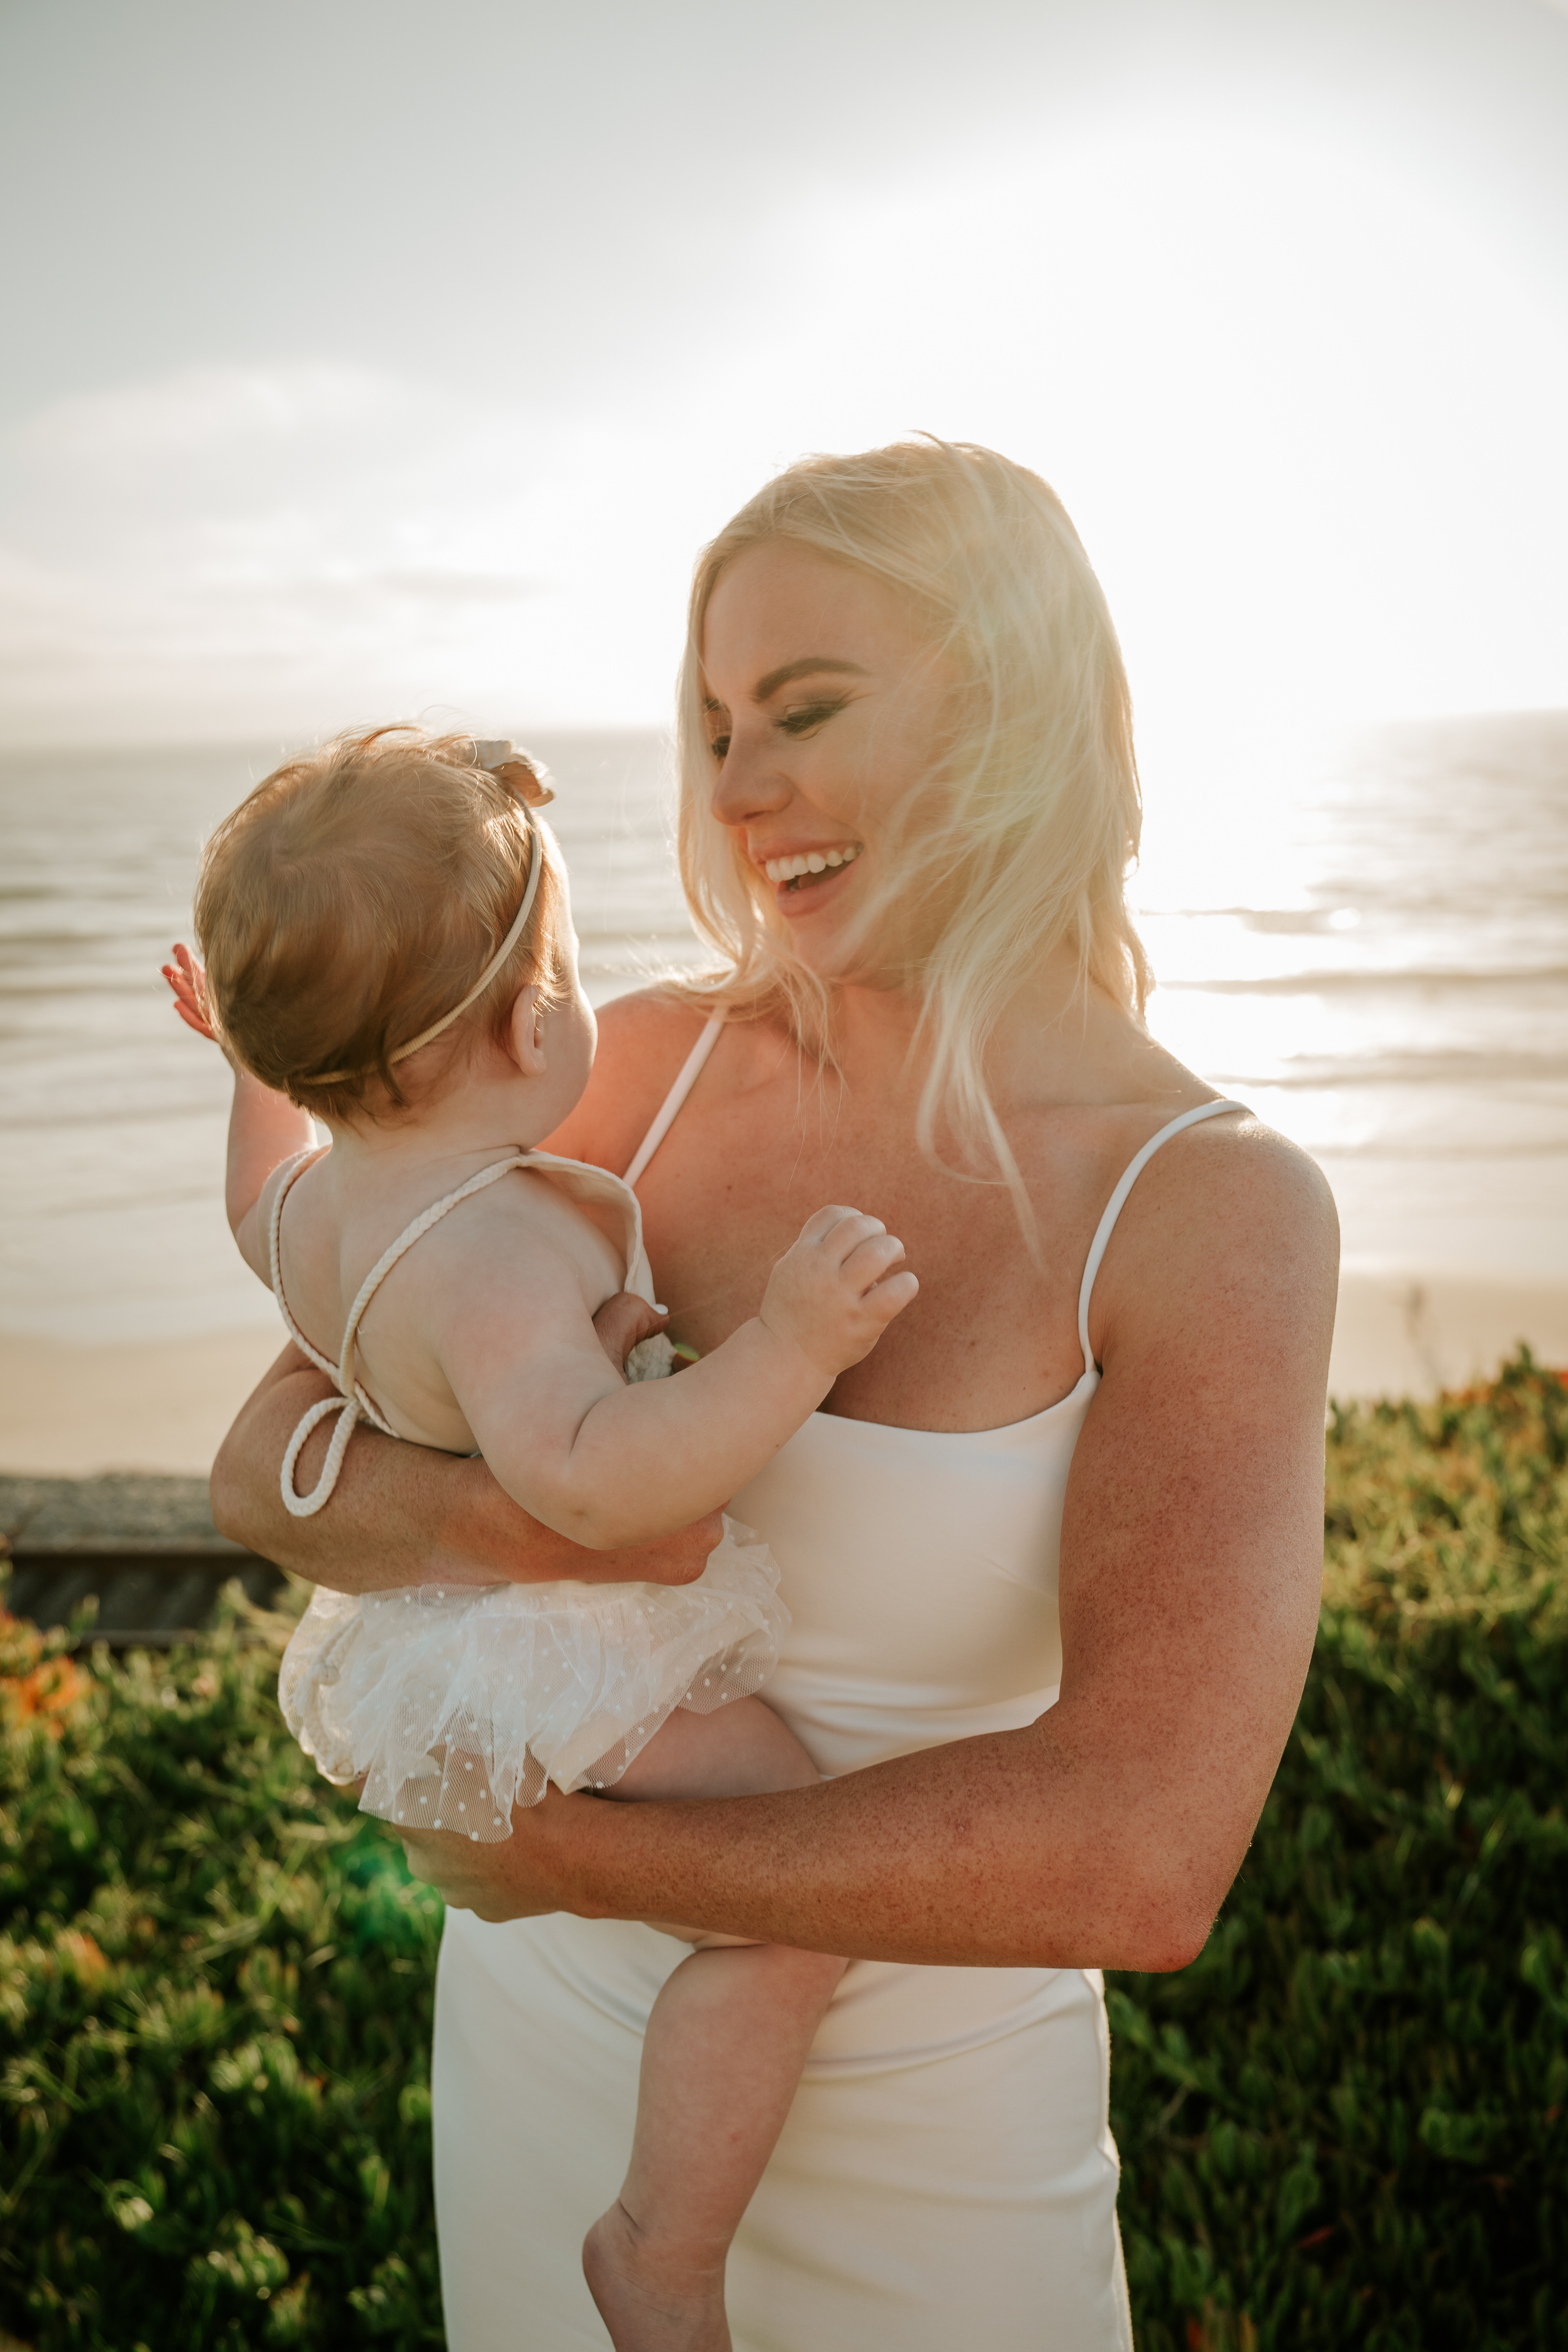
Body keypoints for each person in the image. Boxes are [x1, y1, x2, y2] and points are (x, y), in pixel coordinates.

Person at [211, 439, 1338, 2352]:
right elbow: (264, 1466)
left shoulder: (1208, 1207)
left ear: (1013, 706)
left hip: (941, 2163)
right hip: (544, 2079)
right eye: (718, 725)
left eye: (804, 712)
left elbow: (1145, 1852)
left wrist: (584, 1858)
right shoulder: (621, 1076)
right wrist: (539, 1515)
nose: (738, 791)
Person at [164, 724, 920, 2351]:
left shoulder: (316, 1214)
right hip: (570, 1659)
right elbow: (587, 1481)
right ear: (531, 1022)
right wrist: (787, 1346)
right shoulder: (496, 1254)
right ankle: (663, 2241)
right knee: (800, 1893)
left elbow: (249, 1195)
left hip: (449, 1649)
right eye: (568, 977)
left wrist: (245, 1074)